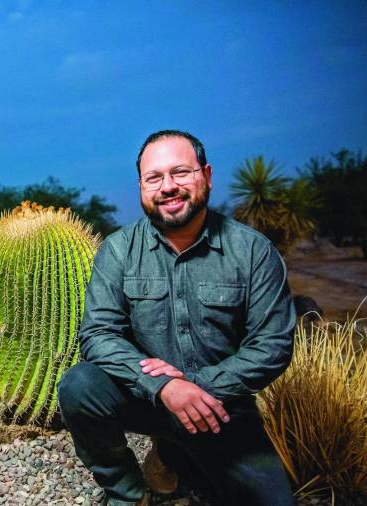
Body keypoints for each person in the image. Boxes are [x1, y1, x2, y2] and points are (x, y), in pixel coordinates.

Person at [57, 130, 296, 505]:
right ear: (141, 187)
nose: (168, 186)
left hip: (219, 406)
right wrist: (165, 387)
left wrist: (195, 388)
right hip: (146, 398)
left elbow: (273, 345)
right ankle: (127, 494)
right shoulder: (118, 250)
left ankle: (171, 454)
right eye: (154, 177)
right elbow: (99, 334)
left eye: (181, 172)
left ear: (207, 176)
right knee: (80, 385)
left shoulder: (253, 251)